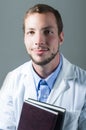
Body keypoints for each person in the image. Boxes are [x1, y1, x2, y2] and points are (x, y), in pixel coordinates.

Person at [0, 4, 86, 130]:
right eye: (31, 32)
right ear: (24, 38)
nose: (39, 40)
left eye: (47, 32)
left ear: (60, 37)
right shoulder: (12, 80)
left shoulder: (83, 83)